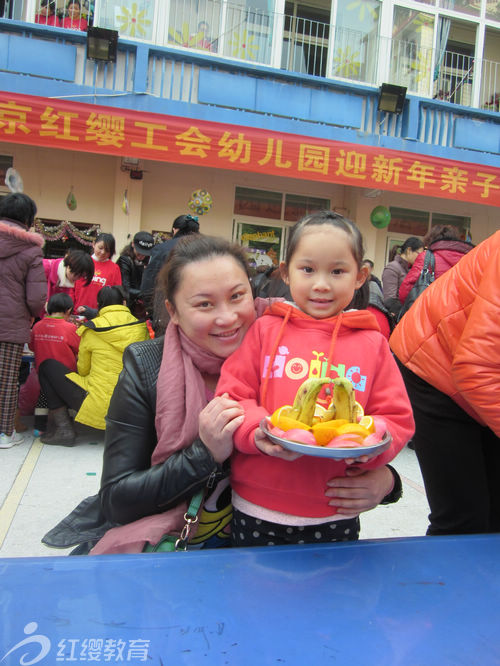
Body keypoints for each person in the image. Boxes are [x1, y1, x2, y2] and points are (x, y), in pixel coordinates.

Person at [43, 235, 404, 555]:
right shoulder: (147, 366)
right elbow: (117, 501)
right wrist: (205, 452)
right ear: (174, 312)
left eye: (237, 296)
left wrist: (385, 480)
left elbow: (351, 416)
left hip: (298, 538)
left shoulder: (290, 340)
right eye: (204, 305)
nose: (227, 318)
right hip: (189, 550)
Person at [216, 211, 414, 547]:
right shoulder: (265, 330)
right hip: (256, 504)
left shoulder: (373, 342)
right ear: (286, 272)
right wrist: (257, 431)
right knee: (253, 594)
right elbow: (233, 396)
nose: (321, 284)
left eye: (337, 271)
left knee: (332, 595)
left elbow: (395, 418)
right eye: (307, 269)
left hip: (336, 508)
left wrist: (368, 446)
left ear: (360, 276)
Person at [390, 230, 500, 536]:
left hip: (480, 372)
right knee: (463, 518)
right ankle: (442, 584)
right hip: (431, 366)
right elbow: (476, 367)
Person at [38, 285, 149, 446]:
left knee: (48, 367)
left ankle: (64, 429)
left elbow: (83, 370)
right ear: (124, 303)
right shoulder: (141, 327)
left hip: (98, 407)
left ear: (99, 305)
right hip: (132, 410)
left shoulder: (92, 328)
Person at [0, 193, 47, 449]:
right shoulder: (30, 250)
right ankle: (5, 434)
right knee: (6, 379)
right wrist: (36, 312)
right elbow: (36, 297)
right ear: (28, 219)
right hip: (10, 324)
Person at [140, 214, 200, 332]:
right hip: (197, 315)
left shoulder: (162, 249)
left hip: (165, 314)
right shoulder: (205, 249)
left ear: (175, 229)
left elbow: (148, 283)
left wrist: (152, 310)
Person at [398, 225, 474, 306]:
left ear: (430, 239)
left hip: (430, 313)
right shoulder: (470, 260)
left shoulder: (426, 257)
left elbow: (405, 292)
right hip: (460, 314)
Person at [74, 233, 122, 316]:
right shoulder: (82, 262)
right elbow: (72, 286)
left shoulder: (114, 268)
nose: (103, 252)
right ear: (93, 244)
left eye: (107, 250)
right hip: (77, 312)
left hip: (100, 315)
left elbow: (116, 294)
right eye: (100, 248)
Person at [382, 237, 424, 319]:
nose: (420, 258)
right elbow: (389, 299)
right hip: (397, 318)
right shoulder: (392, 268)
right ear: (409, 250)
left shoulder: (411, 269)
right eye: (419, 254)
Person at [116, 231, 154, 318]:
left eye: (145, 253)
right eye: (139, 251)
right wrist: (145, 294)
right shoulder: (125, 260)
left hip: (141, 307)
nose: (142, 255)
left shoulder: (148, 262)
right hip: (127, 306)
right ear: (133, 244)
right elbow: (125, 287)